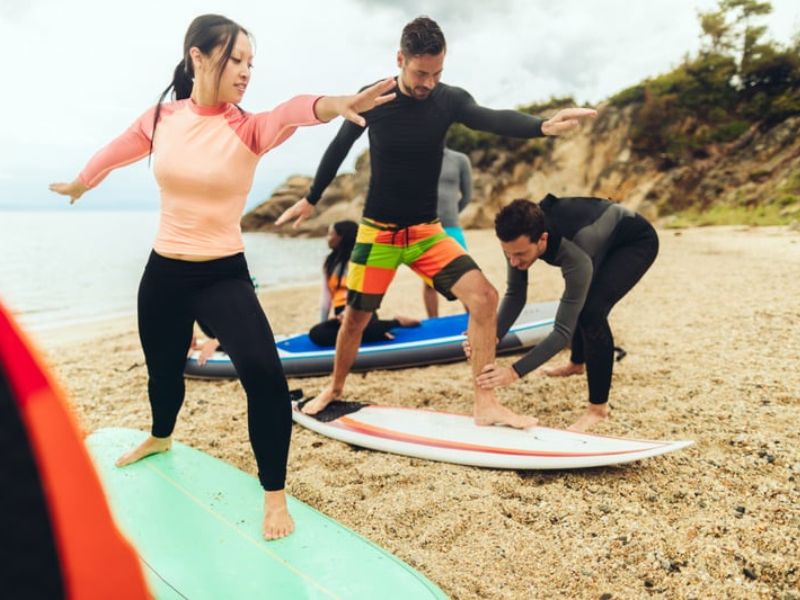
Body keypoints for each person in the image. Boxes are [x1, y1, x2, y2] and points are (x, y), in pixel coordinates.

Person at [49, 14, 397, 540]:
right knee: (163, 373)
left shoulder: (248, 127)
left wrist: (337, 103)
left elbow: (292, 109)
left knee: (265, 377)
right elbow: (116, 152)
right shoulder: (161, 118)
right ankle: (161, 436)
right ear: (198, 57)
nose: (246, 71)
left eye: (251, 62)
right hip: (163, 273)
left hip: (222, 275)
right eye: (236, 59)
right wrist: (81, 182)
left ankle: (274, 495)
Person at [276, 16, 596, 427]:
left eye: (437, 73)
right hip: (378, 233)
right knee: (355, 319)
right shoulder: (375, 97)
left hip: (427, 233)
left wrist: (542, 126)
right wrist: (311, 197)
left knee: (485, 298)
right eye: (420, 73)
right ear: (400, 59)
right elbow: (340, 146)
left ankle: (485, 403)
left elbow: (490, 118)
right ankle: (335, 389)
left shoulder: (449, 100)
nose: (428, 82)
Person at [472, 195, 659, 432]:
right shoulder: (517, 238)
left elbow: (562, 333)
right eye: (508, 254)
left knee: (591, 312)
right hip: (596, 236)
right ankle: (576, 364)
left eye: (519, 255)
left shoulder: (575, 251)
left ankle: (598, 410)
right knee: (582, 304)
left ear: (542, 239)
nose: (514, 262)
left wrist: (514, 372)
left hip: (633, 241)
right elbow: (516, 294)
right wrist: (491, 336)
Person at [310, 221, 419, 346]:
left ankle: (397, 322)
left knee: (360, 328)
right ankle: (378, 331)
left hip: (361, 310)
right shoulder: (328, 263)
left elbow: (365, 291)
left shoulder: (360, 260)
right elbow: (326, 296)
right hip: (340, 316)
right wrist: (324, 323)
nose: (327, 238)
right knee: (316, 333)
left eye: (330, 234)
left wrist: (346, 313)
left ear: (341, 237)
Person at [423, 147, 473, 318]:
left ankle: (473, 320)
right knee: (429, 281)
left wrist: (452, 214)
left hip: (452, 227)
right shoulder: (418, 159)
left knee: (465, 276)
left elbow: (467, 196)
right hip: (426, 228)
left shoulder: (460, 159)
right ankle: (433, 322)